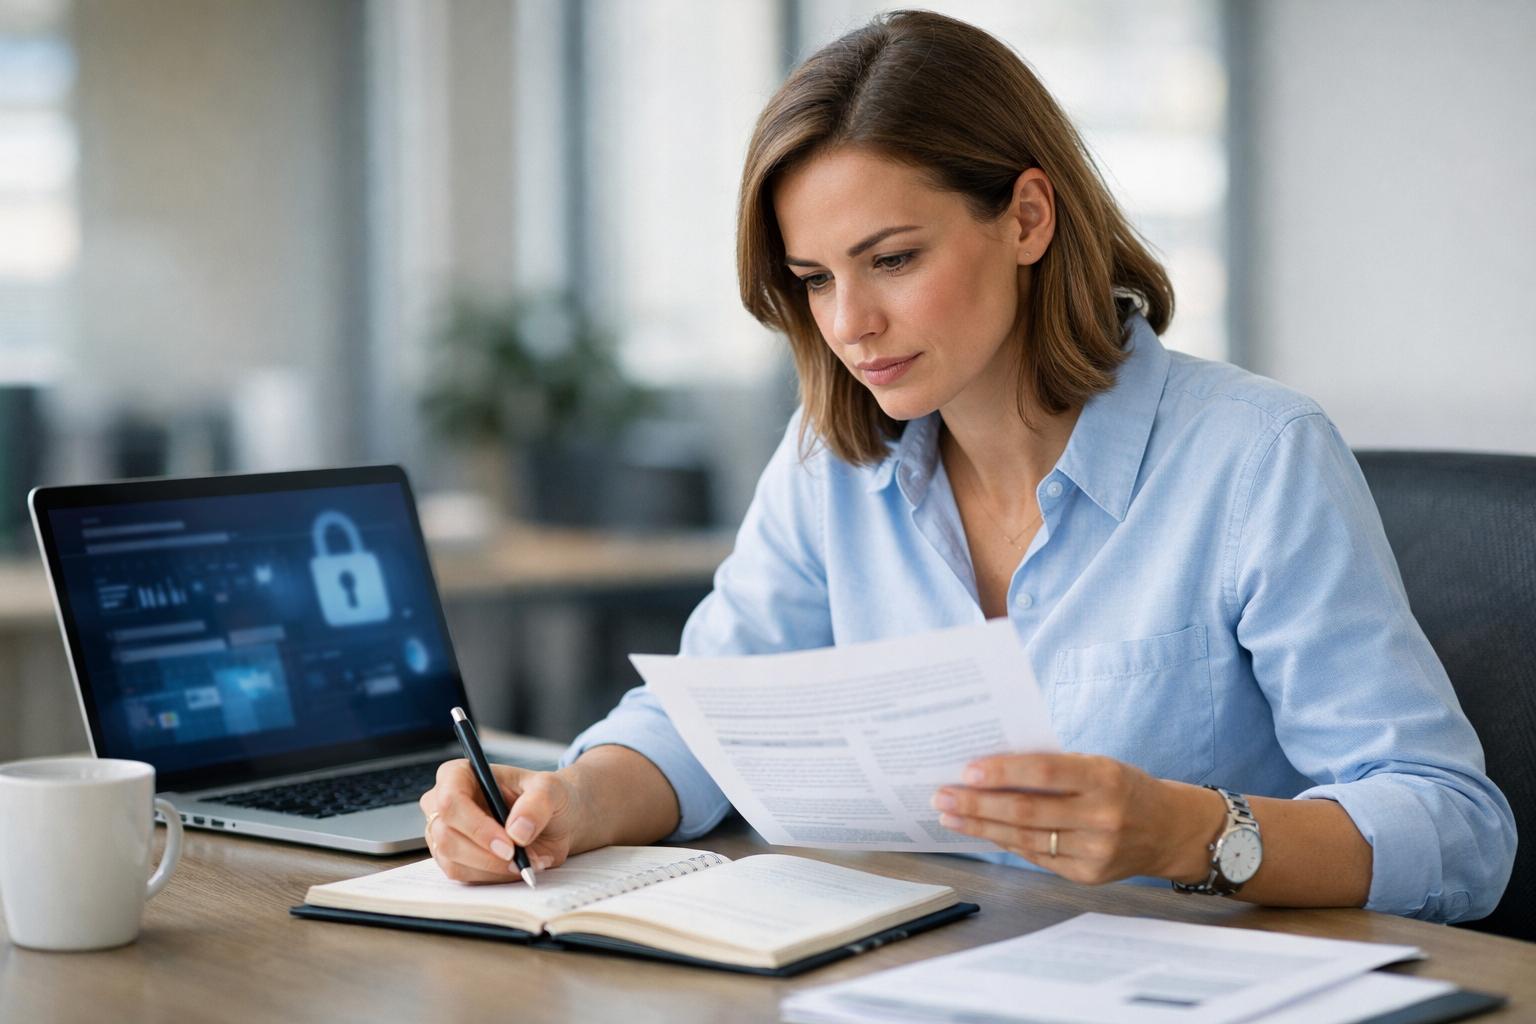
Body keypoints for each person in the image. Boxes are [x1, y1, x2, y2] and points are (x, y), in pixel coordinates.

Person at [420, 10, 1515, 922]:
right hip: (917, 976)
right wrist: (568, 802)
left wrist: (1193, 829)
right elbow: (700, 726)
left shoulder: (1254, 459)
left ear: (1027, 216)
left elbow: (1454, 829)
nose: (850, 322)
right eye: (813, 277)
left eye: (893, 259)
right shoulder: (828, 467)